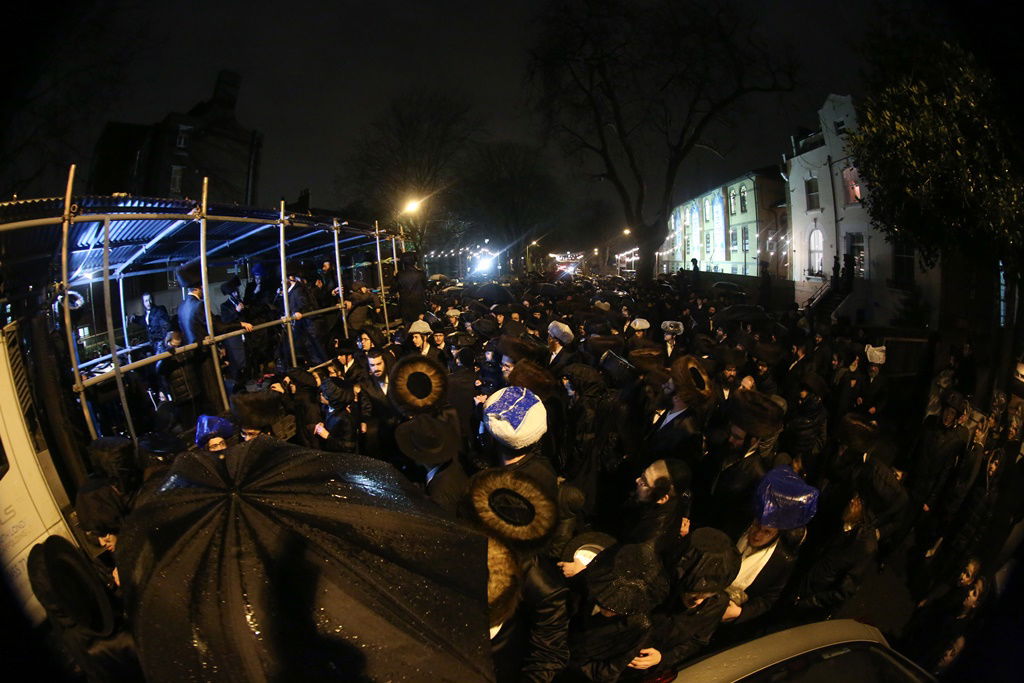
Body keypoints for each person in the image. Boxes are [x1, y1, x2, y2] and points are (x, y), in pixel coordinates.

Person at [130, 292, 171, 356]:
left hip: (161, 344)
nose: (148, 303)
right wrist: (134, 318)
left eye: (150, 300)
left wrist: (164, 341)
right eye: (146, 301)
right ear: (143, 303)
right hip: (154, 344)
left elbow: (166, 325)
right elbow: (145, 321)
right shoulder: (147, 313)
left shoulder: (159, 310)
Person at [396, 251, 428, 324]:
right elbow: (426, 286)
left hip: (405, 306)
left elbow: (393, 289)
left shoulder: (400, 275)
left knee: (408, 326)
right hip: (419, 305)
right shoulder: (421, 274)